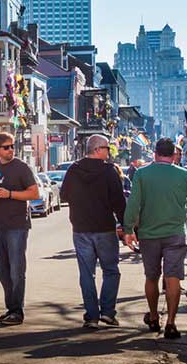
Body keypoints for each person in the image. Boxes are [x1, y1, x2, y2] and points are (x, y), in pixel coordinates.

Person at [123, 137, 187, 340]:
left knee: (151, 277)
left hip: (149, 235)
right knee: (173, 277)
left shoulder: (142, 174)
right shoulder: (185, 175)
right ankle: (171, 323)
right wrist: (181, 203)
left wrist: (128, 229)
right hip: (175, 234)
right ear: (174, 155)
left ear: (156, 154)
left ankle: (153, 316)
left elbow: (133, 204)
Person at [61, 134, 126, 329]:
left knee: (87, 274)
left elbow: (64, 195)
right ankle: (107, 312)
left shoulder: (74, 170)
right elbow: (119, 202)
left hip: (81, 229)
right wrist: (125, 225)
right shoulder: (109, 172)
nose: (110, 152)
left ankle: (91, 316)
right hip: (105, 228)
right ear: (98, 150)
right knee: (111, 271)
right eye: (107, 148)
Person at [0, 132, 40, 325]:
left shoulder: (21, 168)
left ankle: (17, 311)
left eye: (12, 146)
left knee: (17, 269)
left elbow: (34, 193)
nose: (11, 150)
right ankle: (10, 308)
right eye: (6, 147)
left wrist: (10, 194)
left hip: (17, 224)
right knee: (2, 270)